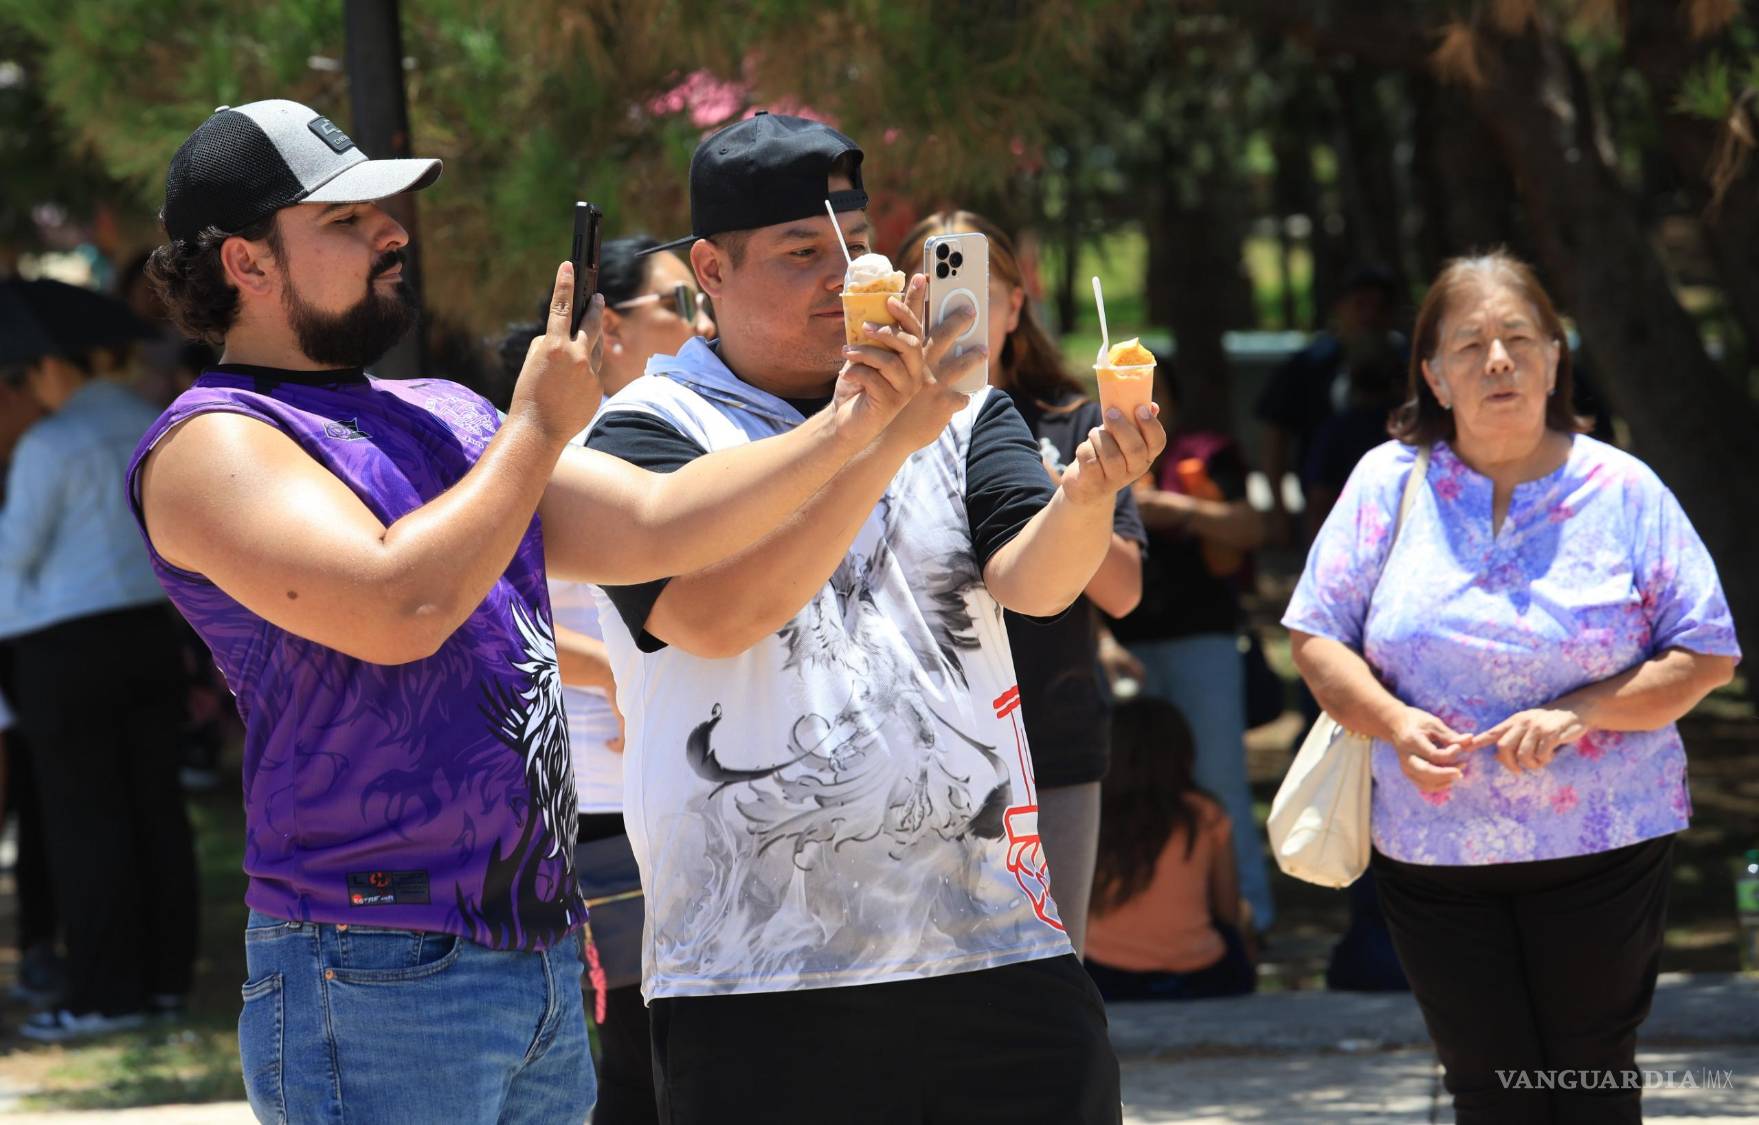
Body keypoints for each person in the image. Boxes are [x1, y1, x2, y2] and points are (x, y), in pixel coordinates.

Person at [128, 99, 939, 1124]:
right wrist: (534, 427)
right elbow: (402, 603)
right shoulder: (212, 443)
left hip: (541, 947)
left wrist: (859, 422)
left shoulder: (444, 412)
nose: (393, 233)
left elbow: (659, 524)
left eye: (384, 213)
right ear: (245, 263)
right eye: (345, 220)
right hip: (371, 952)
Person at [584, 112, 1162, 1123]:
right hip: (754, 971)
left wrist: (1085, 497)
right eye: (801, 252)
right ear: (709, 270)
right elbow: (718, 619)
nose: (841, 274)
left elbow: (1032, 583)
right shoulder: (647, 428)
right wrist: (878, 439)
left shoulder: (963, 402)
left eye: (854, 244)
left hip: (994, 941)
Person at [1284, 250, 1740, 1124]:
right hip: (1432, 852)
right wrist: (1390, 719)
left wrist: (1582, 710)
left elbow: (1705, 652)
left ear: (1554, 357)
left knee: (1589, 1075)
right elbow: (1314, 635)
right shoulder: (1386, 483)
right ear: (1434, 375)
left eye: (1517, 338)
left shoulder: (1624, 488)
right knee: (1486, 1087)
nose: (1496, 360)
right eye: (1469, 345)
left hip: (1601, 846)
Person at [503, 234, 715, 1125]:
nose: (699, 321)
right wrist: (614, 677)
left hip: (682, 774)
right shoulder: (564, 447)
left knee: (685, 1023)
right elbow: (507, 604)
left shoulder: (692, 430)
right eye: (677, 303)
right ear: (607, 327)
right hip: (597, 789)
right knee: (633, 1032)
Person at [894, 211, 1145, 956]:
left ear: (1015, 304)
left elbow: (1124, 591)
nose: (960, 309)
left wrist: (1065, 492)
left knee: (1051, 973)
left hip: (1052, 737)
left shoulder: (1077, 427)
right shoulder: (871, 427)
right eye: (938, 287)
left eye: (978, 288)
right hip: (916, 755)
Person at [0, 278, 199, 1041]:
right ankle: (163, 984)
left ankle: (105, 994)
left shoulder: (50, 443)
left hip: (65, 644)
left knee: (86, 822)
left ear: (49, 366)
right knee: (155, 812)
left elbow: (16, 552)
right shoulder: (143, 417)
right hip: (149, 633)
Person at [1105, 366, 1275, 932]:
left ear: (1170, 401)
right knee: (1127, 789)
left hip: (1204, 639)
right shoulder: (1093, 455)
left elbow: (1252, 528)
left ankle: (1248, 920)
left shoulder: (1209, 454)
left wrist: (1181, 512)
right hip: (1122, 648)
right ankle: (1135, 928)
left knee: (1219, 778)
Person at [1083, 695, 1256, 1002]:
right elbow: (1228, 909)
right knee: (1244, 919)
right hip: (1201, 974)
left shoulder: (1091, 815)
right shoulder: (1206, 814)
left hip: (1105, 976)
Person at [1256, 263, 1406, 544]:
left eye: (1381, 307)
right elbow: (1275, 437)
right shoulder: (1308, 365)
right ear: (1340, 308)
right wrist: (1279, 509)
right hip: (1327, 509)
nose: (1370, 316)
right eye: (1360, 305)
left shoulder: (1411, 363)